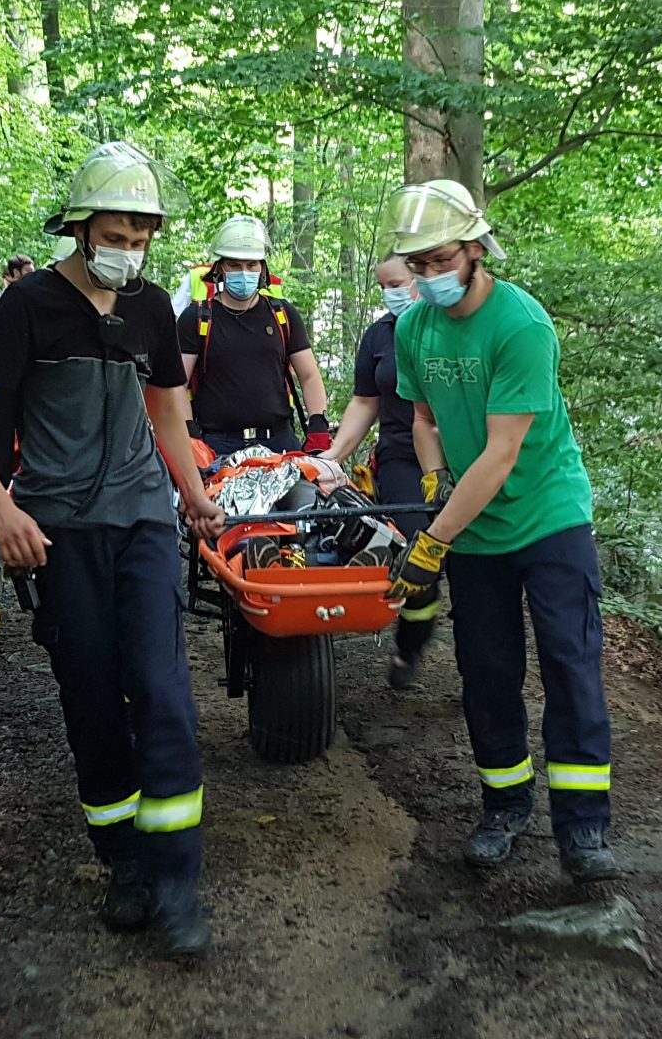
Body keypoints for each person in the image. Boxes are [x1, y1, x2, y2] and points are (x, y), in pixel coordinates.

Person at [0, 140, 228, 958]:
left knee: (162, 689)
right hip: (57, 530)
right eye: (117, 233)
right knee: (92, 694)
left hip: (141, 519)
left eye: (142, 238)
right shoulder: (29, 305)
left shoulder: (150, 309)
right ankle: (124, 863)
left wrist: (197, 498)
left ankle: (177, 883)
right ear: (79, 226)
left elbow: (168, 412)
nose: (129, 251)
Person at [380, 178, 620, 884]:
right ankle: (504, 807)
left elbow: (501, 452)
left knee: (570, 667)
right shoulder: (412, 328)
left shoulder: (522, 325)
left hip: (547, 518)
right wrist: (431, 483)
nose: (430, 278)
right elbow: (422, 418)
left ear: (478, 250)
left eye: (442, 260)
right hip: (474, 530)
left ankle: (582, 830)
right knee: (487, 672)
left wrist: (431, 541)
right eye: (417, 265)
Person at [329, 254, 441, 688]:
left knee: (472, 561)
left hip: (463, 454)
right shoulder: (379, 335)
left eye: (395, 284)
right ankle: (410, 647)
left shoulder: (450, 325)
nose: (389, 295)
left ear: (421, 277)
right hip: (400, 454)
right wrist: (331, 457)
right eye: (382, 287)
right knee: (417, 548)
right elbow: (364, 402)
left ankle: (479, 662)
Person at [177, 215, 331, 458]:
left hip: (280, 442)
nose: (244, 272)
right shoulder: (196, 319)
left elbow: (310, 376)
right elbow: (177, 385)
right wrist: (190, 434)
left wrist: (319, 426)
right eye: (234, 265)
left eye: (251, 265)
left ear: (263, 268)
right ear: (219, 268)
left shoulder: (282, 315)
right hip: (218, 446)